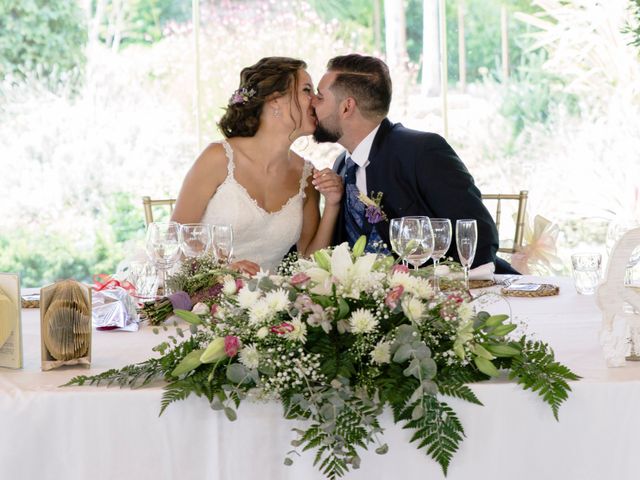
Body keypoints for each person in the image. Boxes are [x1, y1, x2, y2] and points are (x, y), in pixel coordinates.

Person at [311, 53, 518, 273]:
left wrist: (425, 288)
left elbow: (479, 236)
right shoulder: (342, 166)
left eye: (320, 97)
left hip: (458, 297)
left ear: (346, 107)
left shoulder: (421, 151)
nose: (312, 102)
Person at [172, 57, 343, 275]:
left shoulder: (307, 175)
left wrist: (332, 204)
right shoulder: (218, 158)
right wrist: (222, 270)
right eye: (307, 90)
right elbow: (174, 238)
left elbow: (308, 262)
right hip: (202, 298)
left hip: (266, 304)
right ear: (275, 100)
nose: (316, 100)